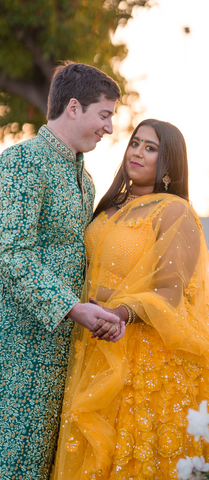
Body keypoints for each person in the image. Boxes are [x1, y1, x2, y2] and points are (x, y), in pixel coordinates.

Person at [52, 119, 209, 479]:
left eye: (150, 148)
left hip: (144, 352)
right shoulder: (109, 206)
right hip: (94, 343)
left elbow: (170, 292)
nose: (137, 152)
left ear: (169, 165)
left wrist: (120, 313)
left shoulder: (175, 211)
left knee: (139, 454)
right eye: (135, 143)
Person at [0, 62, 124, 480]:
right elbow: (12, 254)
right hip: (18, 346)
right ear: (74, 107)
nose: (108, 127)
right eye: (104, 114)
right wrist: (71, 307)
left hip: (63, 349)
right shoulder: (22, 162)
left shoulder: (85, 179)